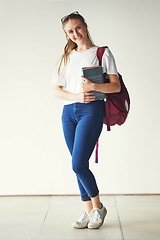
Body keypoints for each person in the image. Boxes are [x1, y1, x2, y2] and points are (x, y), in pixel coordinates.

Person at [52, 11, 120, 229]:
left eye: (78, 28)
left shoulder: (101, 53)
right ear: (66, 34)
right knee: (77, 165)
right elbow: (57, 91)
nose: (75, 33)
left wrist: (94, 87)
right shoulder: (67, 57)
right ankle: (89, 211)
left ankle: (98, 207)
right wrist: (77, 96)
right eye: (70, 31)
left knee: (78, 163)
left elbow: (115, 86)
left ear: (85, 25)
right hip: (68, 113)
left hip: (91, 110)